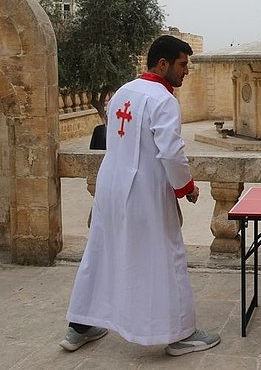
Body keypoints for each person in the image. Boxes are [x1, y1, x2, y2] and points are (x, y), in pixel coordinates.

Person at [60, 35, 221, 356]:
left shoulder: (123, 92)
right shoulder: (164, 101)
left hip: (110, 188)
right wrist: (186, 187)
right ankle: (180, 334)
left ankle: (80, 326)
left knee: (102, 251)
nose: (186, 71)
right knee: (166, 256)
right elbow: (171, 152)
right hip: (145, 194)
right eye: (182, 64)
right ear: (163, 64)